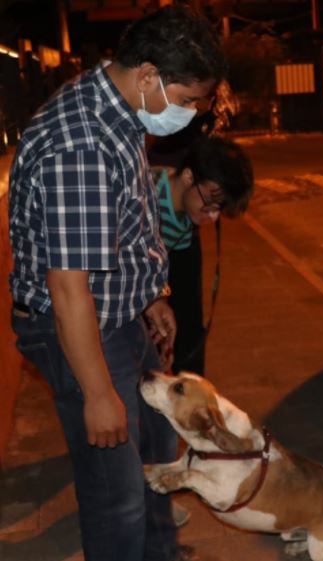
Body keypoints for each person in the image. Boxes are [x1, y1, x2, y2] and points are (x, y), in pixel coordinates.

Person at [8, 5, 226, 561]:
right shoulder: (80, 145)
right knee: (118, 495)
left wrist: (149, 294)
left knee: (156, 461)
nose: (190, 113)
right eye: (186, 99)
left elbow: (123, 222)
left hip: (115, 316)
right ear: (149, 75)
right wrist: (100, 394)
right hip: (80, 328)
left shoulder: (118, 108)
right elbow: (67, 289)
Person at [153, 136, 254, 375]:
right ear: (188, 177)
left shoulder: (185, 212)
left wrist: (161, 297)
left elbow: (165, 269)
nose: (213, 216)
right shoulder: (146, 197)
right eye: (210, 202)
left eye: (219, 209)